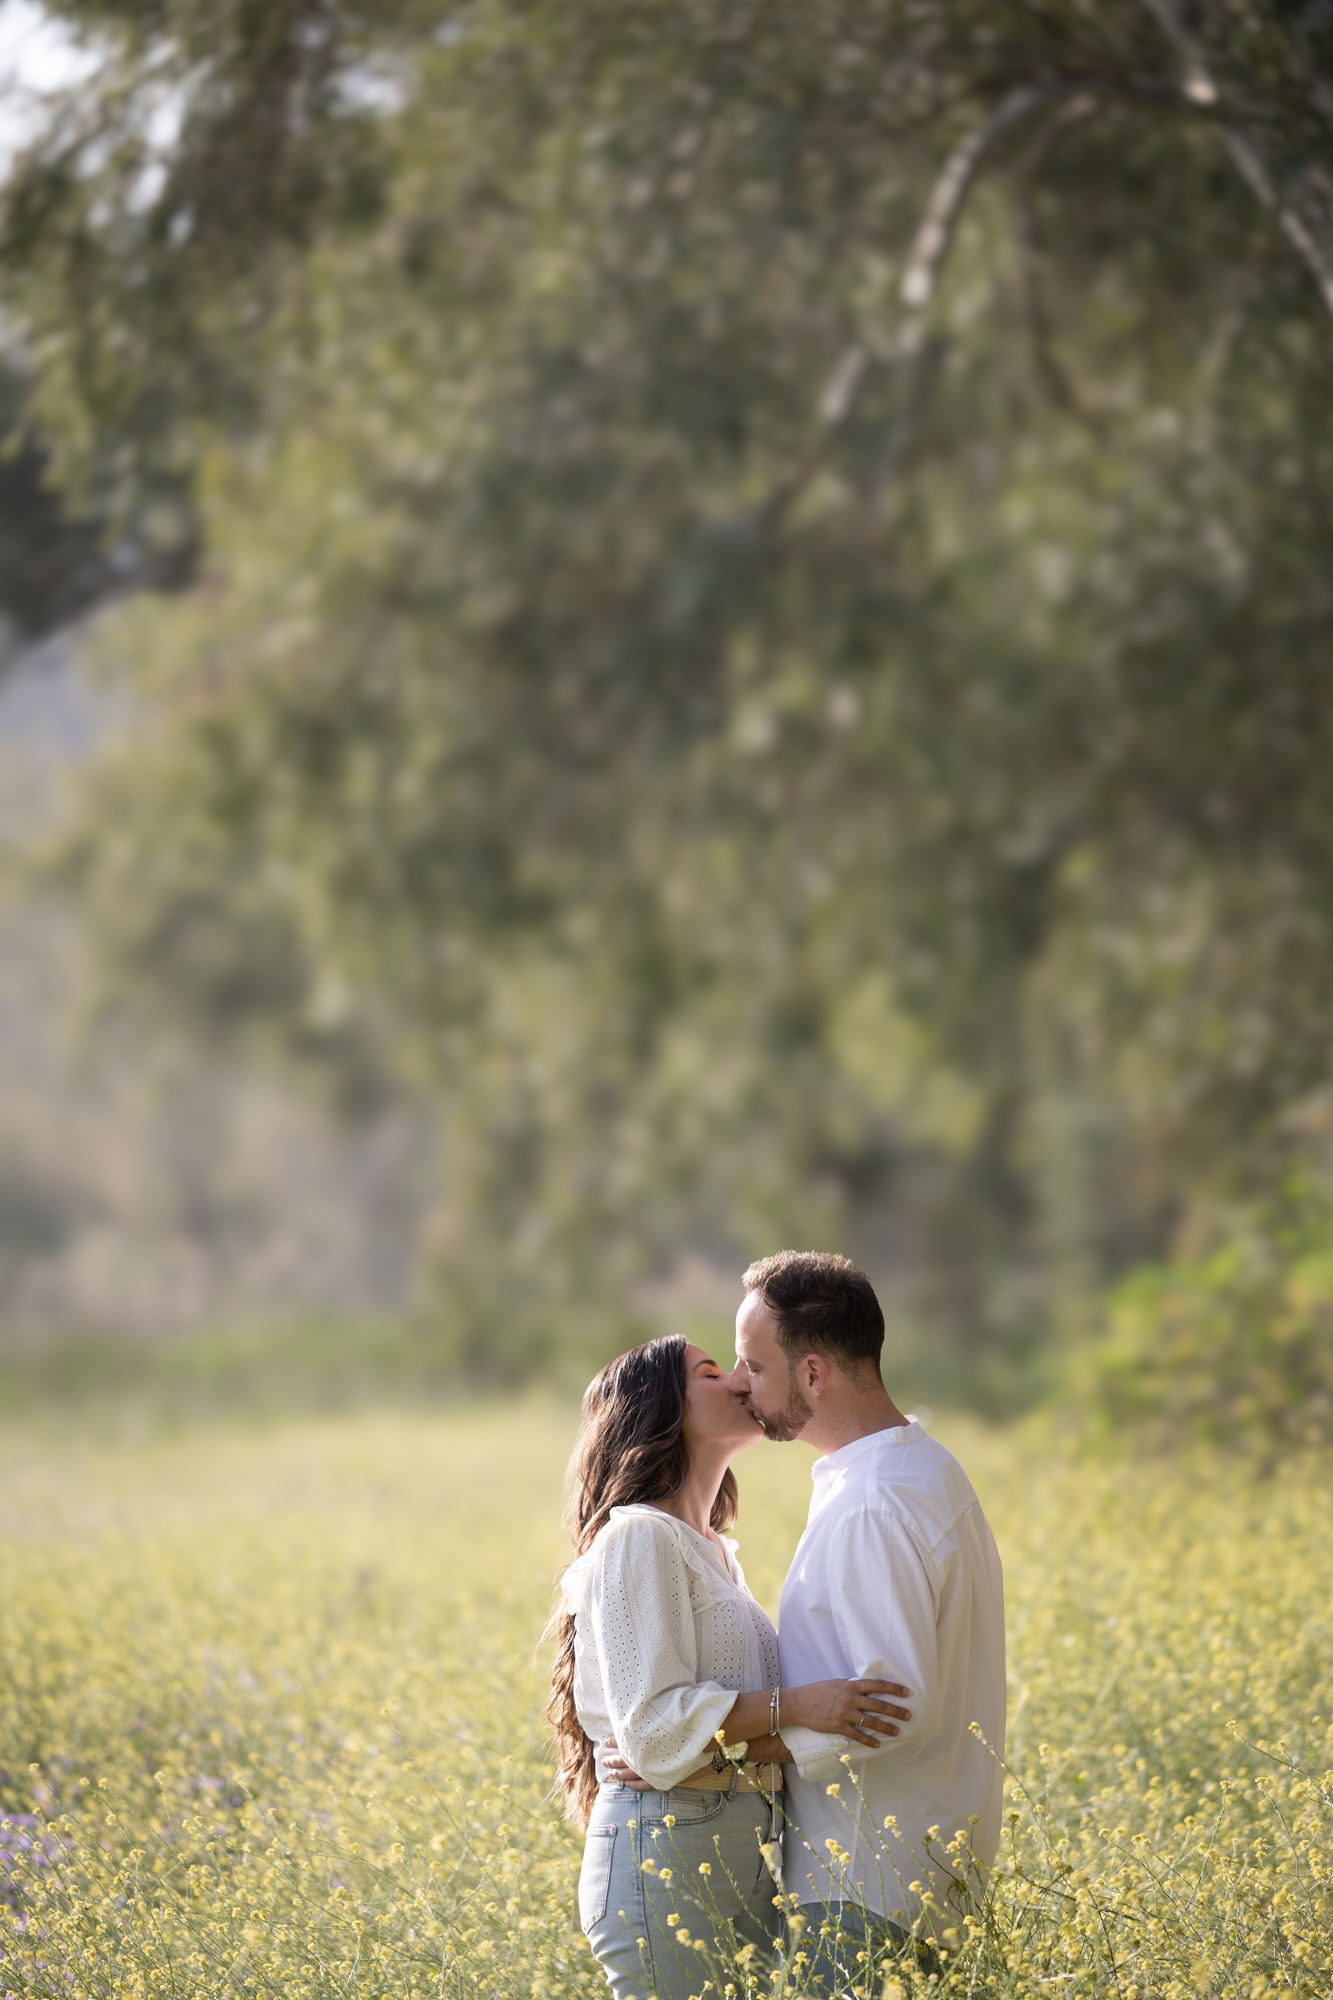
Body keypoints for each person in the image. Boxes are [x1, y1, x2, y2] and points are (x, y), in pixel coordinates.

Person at [548, 1334, 913, 2000]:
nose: (741, 1381)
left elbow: (675, 1743)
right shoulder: (639, 1537)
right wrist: (801, 1706)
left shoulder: (712, 1553)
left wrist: (709, 1752)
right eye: (711, 1372)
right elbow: (657, 1733)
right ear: (661, 1409)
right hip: (668, 1858)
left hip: (731, 1851)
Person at [731, 1250, 1007, 1987]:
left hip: (867, 1886)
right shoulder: (920, 1470)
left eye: (754, 1366)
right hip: (915, 1872)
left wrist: (724, 1759)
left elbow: (887, 1711)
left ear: (813, 1374)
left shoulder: (873, 1504)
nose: (738, 1384)